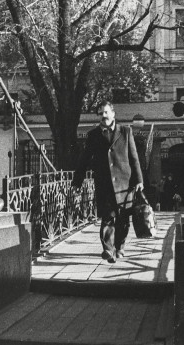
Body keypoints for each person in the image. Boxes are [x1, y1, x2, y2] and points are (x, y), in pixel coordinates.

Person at [72, 101, 143, 263]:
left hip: (125, 184)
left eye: (105, 112)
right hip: (104, 184)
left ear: (113, 114)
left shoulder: (125, 132)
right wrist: (77, 182)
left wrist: (139, 180)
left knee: (123, 219)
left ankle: (120, 247)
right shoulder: (93, 135)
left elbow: (134, 158)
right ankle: (108, 249)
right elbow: (84, 160)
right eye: (100, 113)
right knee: (107, 217)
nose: (103, 116)